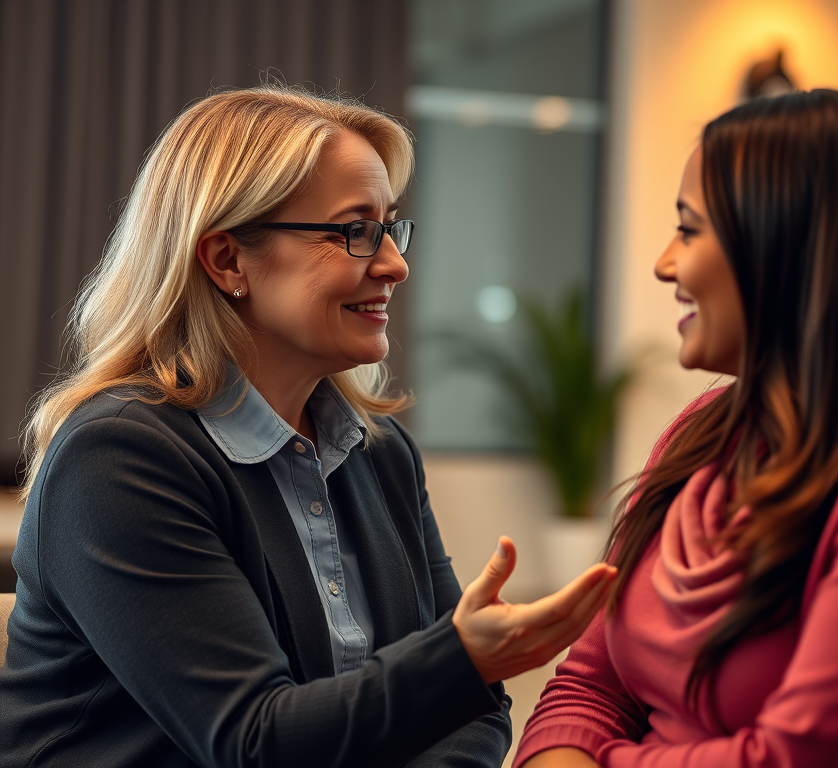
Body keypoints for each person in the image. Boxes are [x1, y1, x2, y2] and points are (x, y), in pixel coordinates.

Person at [0, 85, 617, 768]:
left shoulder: (380, 454)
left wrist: (462, 672)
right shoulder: (118, 456)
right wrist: (460, 658)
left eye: (390, 228)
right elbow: (255, 742)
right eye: (354, 231)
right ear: (228, 260)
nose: (394, 264)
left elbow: (475, 711)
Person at [513, 89, 838, 768]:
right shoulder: (702, 432)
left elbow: (797, 758)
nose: (666, 263)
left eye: (690, 230)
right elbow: (587, 687)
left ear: (796, 249)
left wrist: (601, 761)